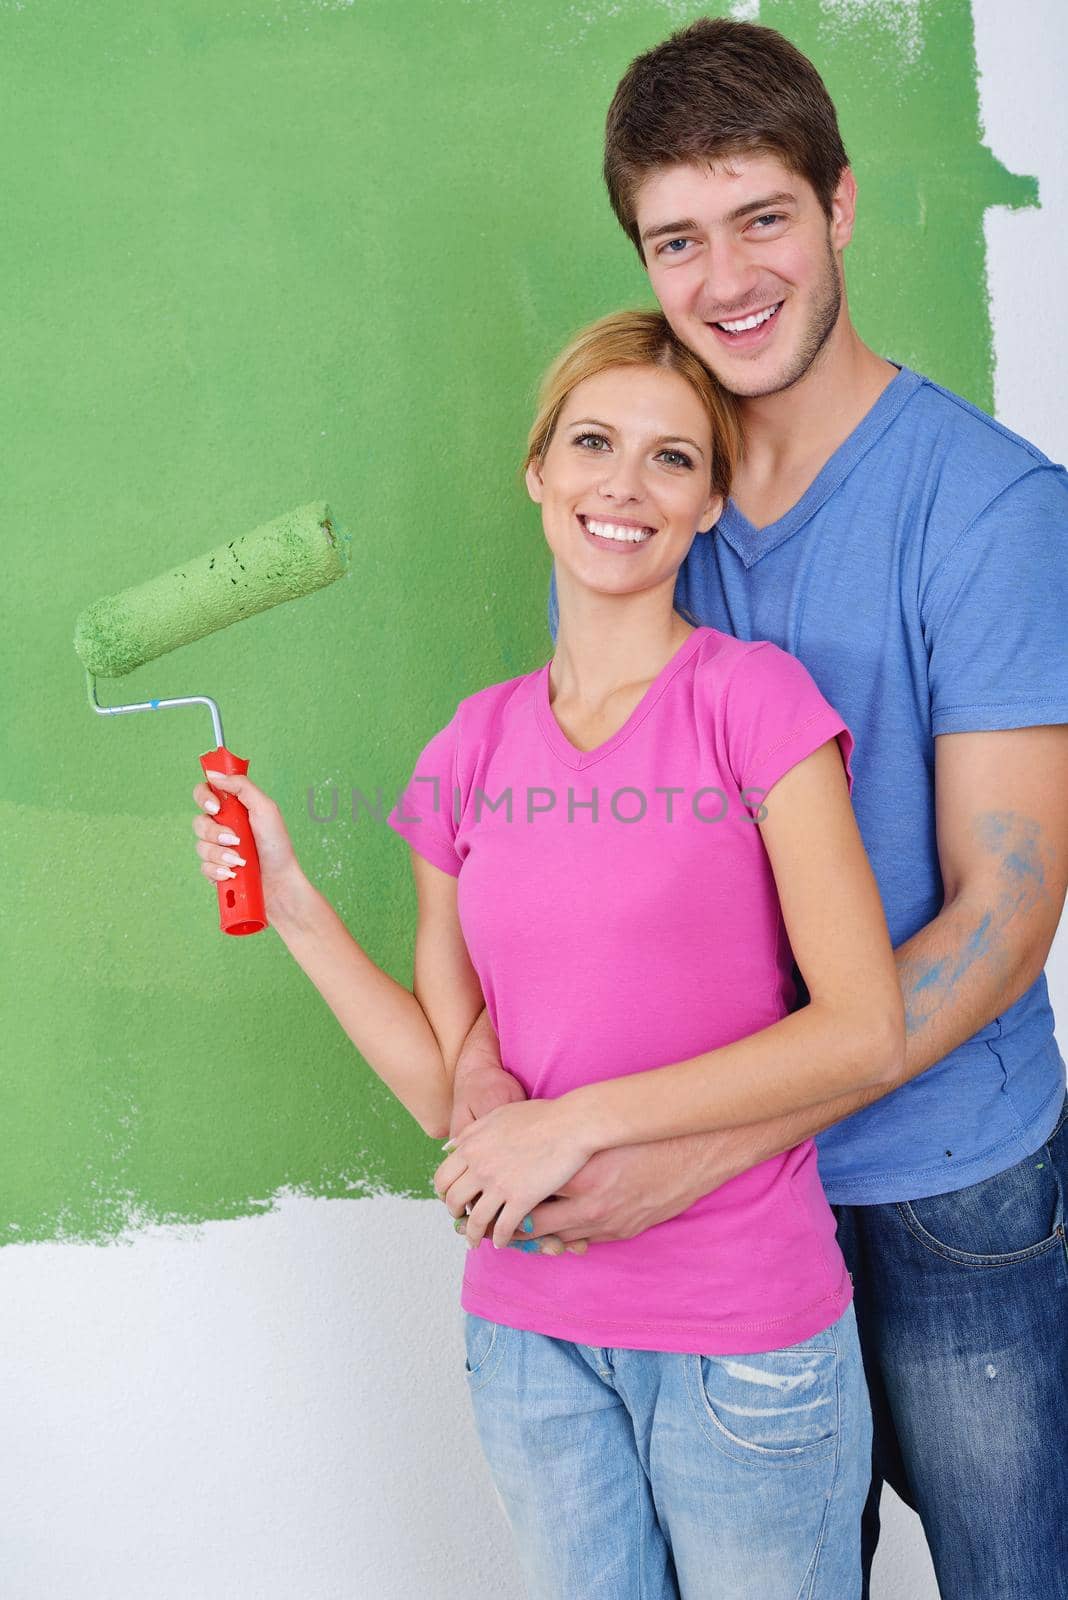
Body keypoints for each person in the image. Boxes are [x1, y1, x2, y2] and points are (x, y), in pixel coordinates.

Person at [448, 17, 1068, 1599]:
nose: (727, 277)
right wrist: (473, 1060)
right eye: (678, 238)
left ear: (842, 207)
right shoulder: (649, 496)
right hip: (718, 1237)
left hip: (943, 1188)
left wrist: (705, 1142)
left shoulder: (990, 510)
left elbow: (1003, 919)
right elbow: (571, 856)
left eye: (764, 218)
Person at [191, 308, 904, 1598]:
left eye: (672, 459)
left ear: (709, 505)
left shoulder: (754, 703)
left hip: (743, 1338)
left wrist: (573, 1125)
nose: (623, 486)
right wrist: (292, 897)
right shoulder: (467, 749)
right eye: (593, 442)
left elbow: (865, 1027)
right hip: (530, 1340)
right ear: (540, 471)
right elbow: (453, 1072)